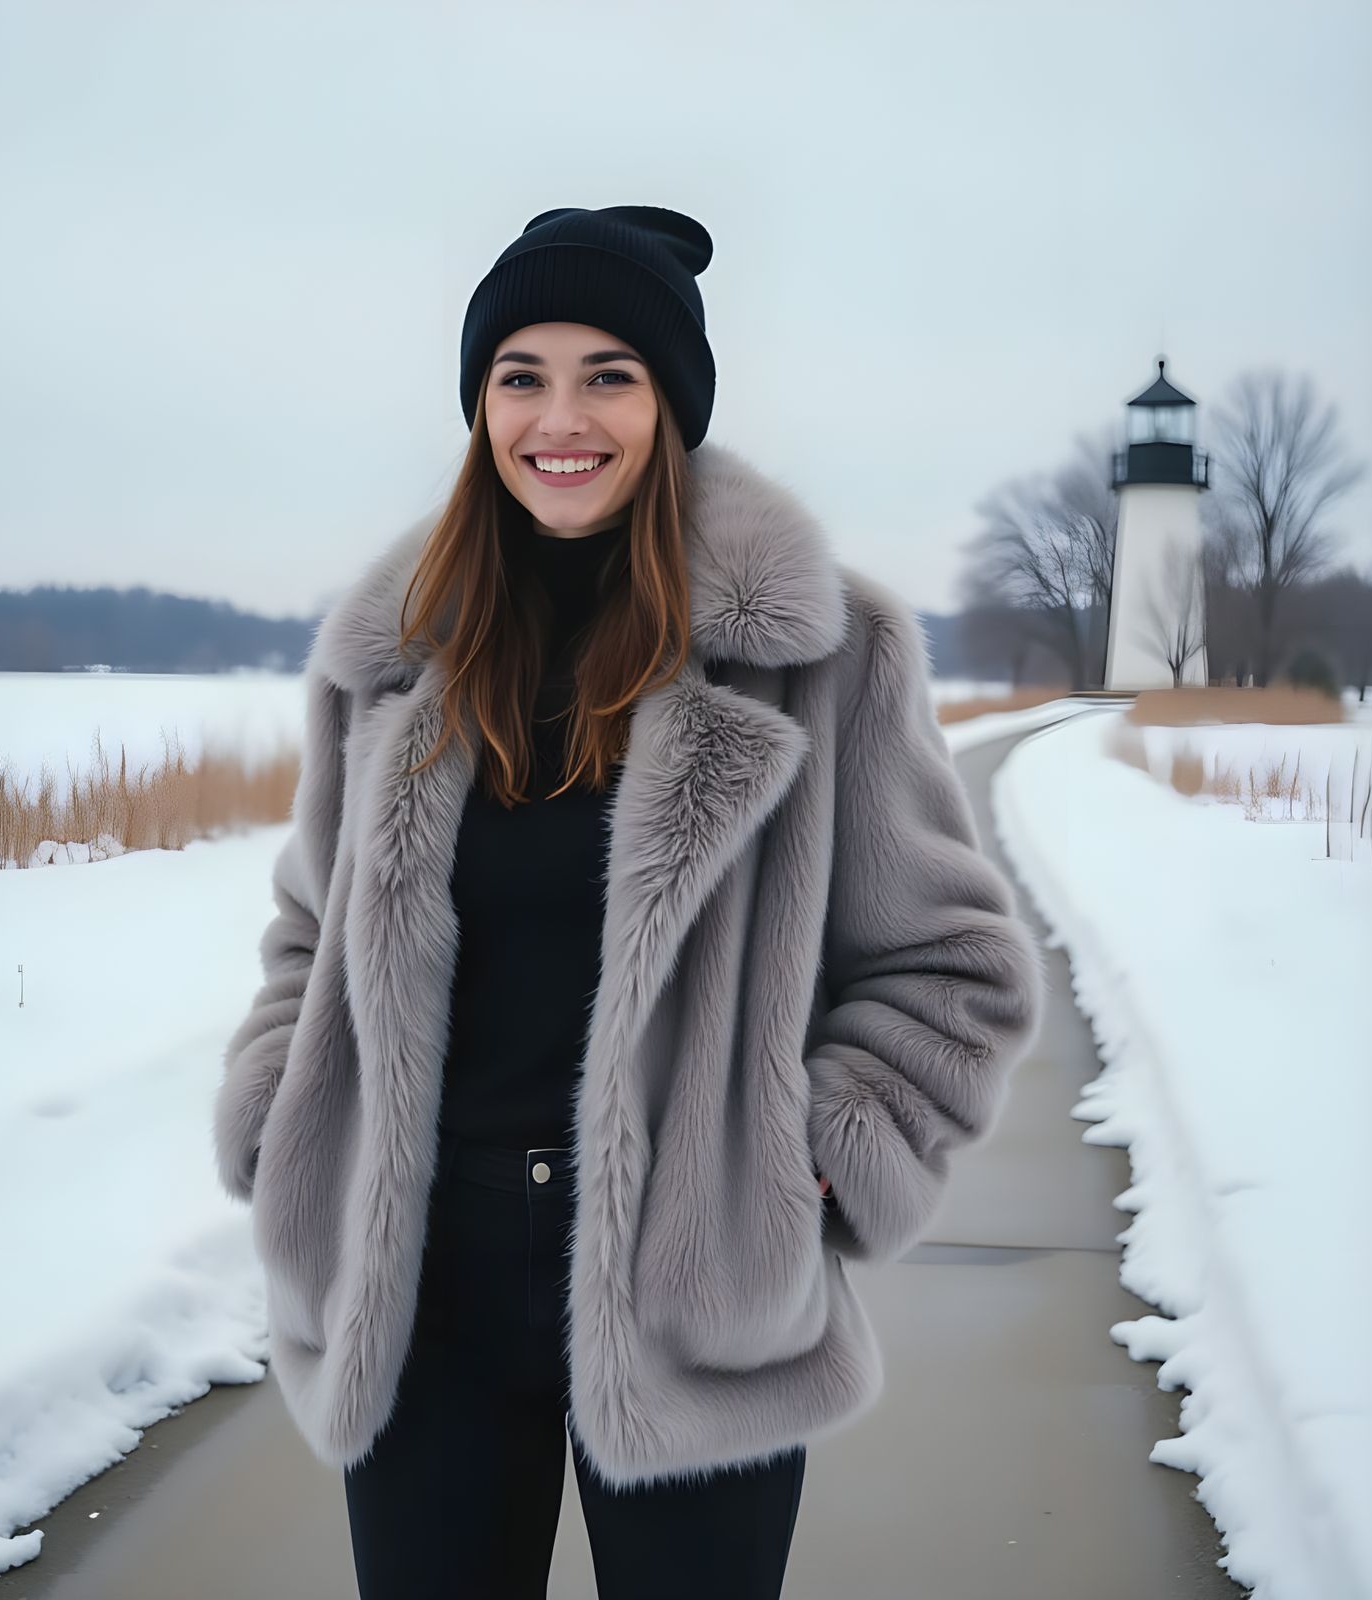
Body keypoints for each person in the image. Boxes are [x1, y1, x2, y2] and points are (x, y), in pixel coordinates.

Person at [213, 205, 1046, 1599]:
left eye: (611, 373)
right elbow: (311, 932)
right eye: (520, 374)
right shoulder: (392, 655)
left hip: (697, 1291)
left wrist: (819, 1159)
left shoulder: (823, 655)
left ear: (673, 404)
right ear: (480, 406)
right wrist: (275, 1111)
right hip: (421, 1289)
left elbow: (954, 969)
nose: (562, 416)